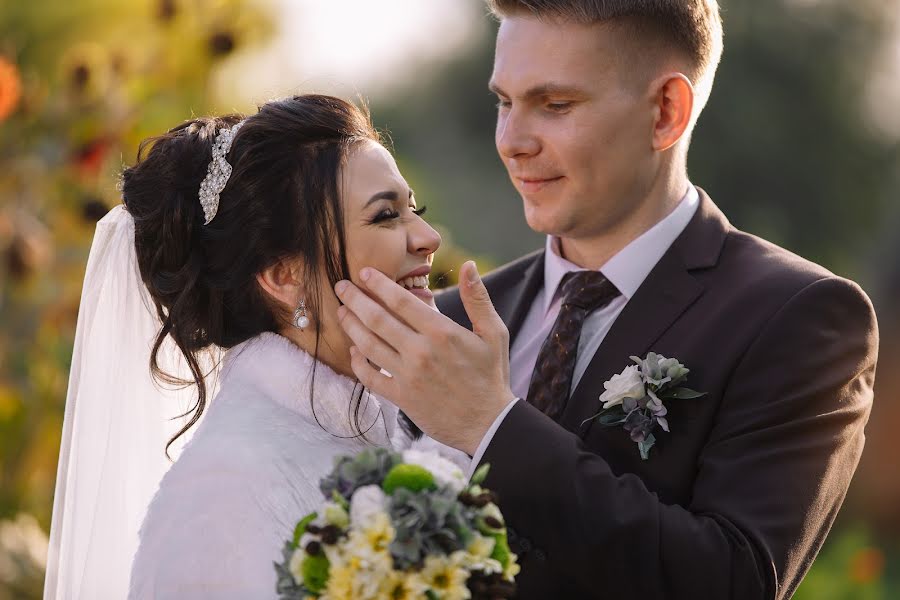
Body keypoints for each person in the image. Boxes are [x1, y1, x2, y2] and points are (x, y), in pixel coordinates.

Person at [333, 1, 879, 599]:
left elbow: (732, 582)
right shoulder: (451, 324)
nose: (512, 141)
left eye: (556, 105)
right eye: (504, 102)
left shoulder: (799, 317)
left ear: (666, 111)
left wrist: (492, 425)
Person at [43, 94, 443, 599]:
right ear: (284, 275)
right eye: (386, 215)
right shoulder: (222, 494)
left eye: (415, 209)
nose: (428, 237)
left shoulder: (409, 422)